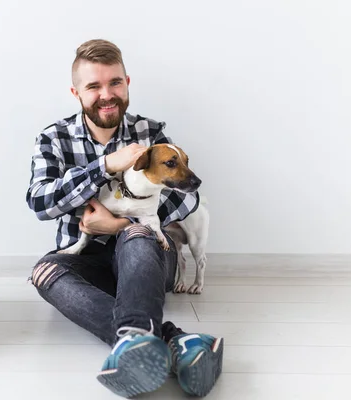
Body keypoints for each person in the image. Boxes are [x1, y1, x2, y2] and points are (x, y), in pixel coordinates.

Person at [25, 39, 223, 398]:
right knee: (43, 272)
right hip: (86, 258)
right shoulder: (52, 139)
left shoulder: (151, 134)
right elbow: (40, 202)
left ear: (127, 83)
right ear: (76, 92)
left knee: (136, 237)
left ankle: (134, 342)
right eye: (94, 86)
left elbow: (183, 199)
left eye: (114, 83)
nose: (107, 94)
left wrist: (119, 224)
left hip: (148, 258)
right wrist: (103, 166)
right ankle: (174, 342)